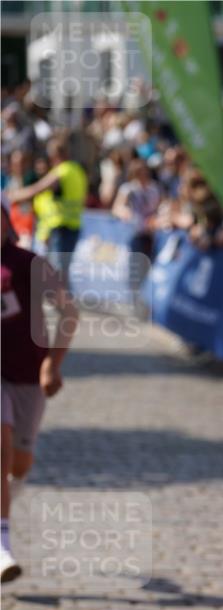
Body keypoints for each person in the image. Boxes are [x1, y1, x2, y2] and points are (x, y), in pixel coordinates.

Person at [1, 195, 77, 582]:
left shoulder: (29, 264)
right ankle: (2, 547)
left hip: (29, 375)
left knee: (18, 465)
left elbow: (68, 310)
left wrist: (52, 362)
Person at [7, 136, 88, 285]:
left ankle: (63, 303)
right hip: (73, 225)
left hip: (61, 227)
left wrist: (10, 197)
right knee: (61, 269)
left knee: (56, 271)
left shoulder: (62, 171)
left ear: (55, 155)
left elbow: (37, 189)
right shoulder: (77, 170)